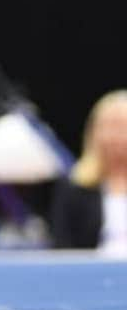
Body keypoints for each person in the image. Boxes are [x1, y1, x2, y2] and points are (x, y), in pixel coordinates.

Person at [51, 91, 127, 253]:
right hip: (94, 274)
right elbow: (63, 248)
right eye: (107, 127)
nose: (114, 137)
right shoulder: (74, 187)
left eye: (122, 127)